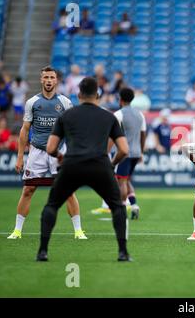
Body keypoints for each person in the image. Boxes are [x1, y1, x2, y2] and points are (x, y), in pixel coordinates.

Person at [36, 77, 131, 261]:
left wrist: (61, 157)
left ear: (79, 95)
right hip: (100, 165)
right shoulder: (109, 117)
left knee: (52, 206)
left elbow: (50, 148)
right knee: (117, 207)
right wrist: (110, 165)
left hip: (72, 165)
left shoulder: (66, 116)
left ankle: (42, 251)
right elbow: (124, 150)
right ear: (98, 95)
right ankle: (122, 252)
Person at [7, 66, 86, 240]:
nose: (49, 80)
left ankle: (78, 231)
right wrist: (20, 157)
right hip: (37, 152)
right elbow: (24, 131)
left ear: (56, 80)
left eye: (52, 77)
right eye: (46, 78)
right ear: (41, 80)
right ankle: (17, 231)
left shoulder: (65, 102)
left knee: (69, 191)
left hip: (59, 152)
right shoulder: (32, 102)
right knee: (28, 189)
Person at [112, 87, 146, 220]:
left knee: (121, 181)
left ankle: (121, 210)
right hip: (136, 152)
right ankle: (134, 205)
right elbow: (143, 135)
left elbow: (112, 135)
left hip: (123, 153)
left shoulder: (118, 114)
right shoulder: (140, 114)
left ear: (120, 99)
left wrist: (107, 151)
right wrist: (141, 152)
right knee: (126, 180)